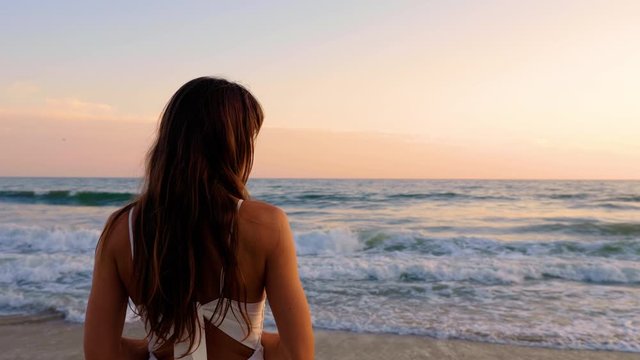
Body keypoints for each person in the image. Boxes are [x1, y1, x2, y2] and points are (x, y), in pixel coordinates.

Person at [84, 77, 314, 360]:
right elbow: (298, 355)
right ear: (234, 144)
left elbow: (100, 354)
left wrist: (154, 345)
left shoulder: (122, 231)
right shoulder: (267, 225)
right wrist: (253, 341)